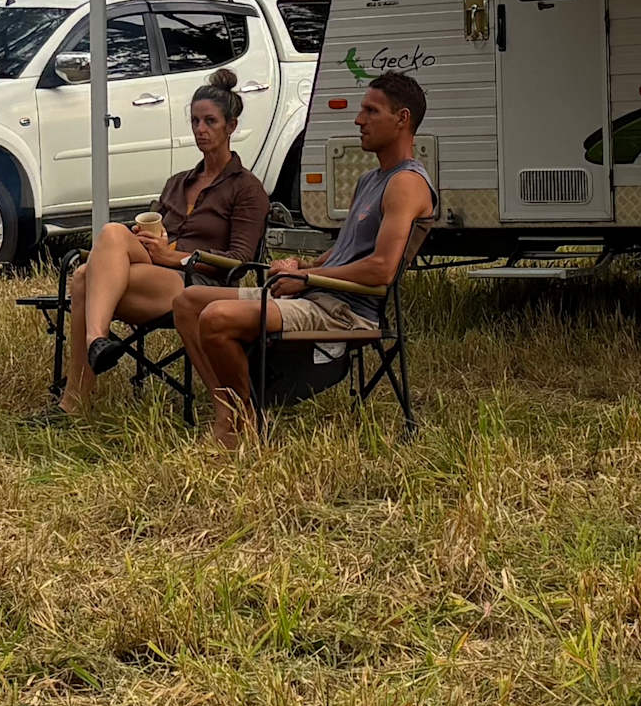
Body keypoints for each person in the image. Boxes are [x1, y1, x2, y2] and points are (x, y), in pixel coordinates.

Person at [173, 68, 433, 447]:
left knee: (216, 318)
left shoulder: (406, 184)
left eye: (371, 111)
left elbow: (381, 268)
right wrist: (304, 266)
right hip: (318, 292)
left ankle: (240, 425)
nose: (359, 120)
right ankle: (231, 411)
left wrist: (308, 281)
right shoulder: (371, 179)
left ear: (402, 119)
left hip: (346, 310)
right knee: (188, 301)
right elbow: (345, 250)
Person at [62, 73, 271, 405]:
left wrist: (174, 257)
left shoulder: (246, 189)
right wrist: (146, 239)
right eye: (195, 121)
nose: (200, 129)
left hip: (199, 283)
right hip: (155, 270)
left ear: (230, 126)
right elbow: (157, 236)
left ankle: (77, 391)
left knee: (86, 277)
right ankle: (95, 347)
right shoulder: (178, 182)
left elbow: (239, 260)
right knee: (112, 238)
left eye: (210, 121)